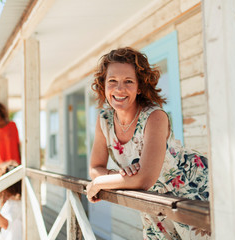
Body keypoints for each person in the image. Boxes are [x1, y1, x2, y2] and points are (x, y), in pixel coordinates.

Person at [87, 47, 210, 239]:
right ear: (103, 85)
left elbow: (144, 178)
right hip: (152, 204)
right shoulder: (104, 120)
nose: (119, 89)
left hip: (191, 194)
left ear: (139, 86)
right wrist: (117, 175)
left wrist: (101, 181)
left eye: (128, 81)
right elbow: (95, 167)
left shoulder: (155, 116)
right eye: (112, 81)